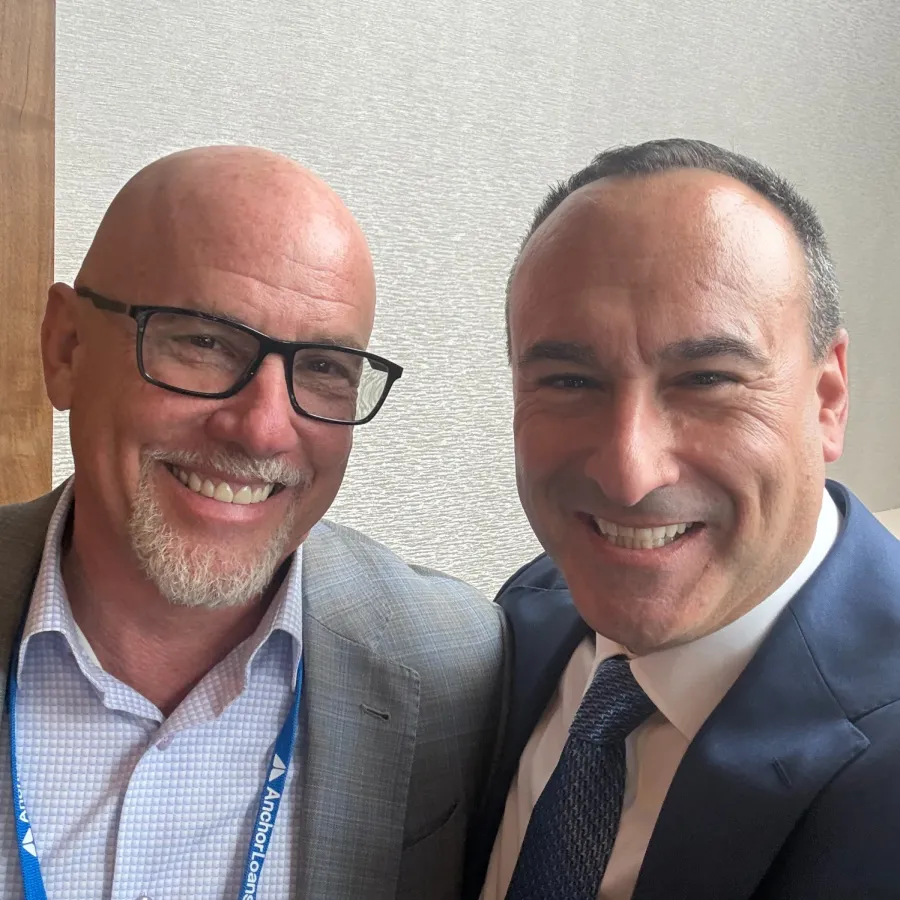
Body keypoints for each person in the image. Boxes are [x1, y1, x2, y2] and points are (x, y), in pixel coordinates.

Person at [0, 146, 504, 900]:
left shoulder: (460, 668)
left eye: (325, 367)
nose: (263, 430)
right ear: (66, 349)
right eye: (204, 341)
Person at [464, 138, 900, 900]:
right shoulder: (522, 619)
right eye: (569, 380)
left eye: (708, 379)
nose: (629, 474)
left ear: (827, 399)